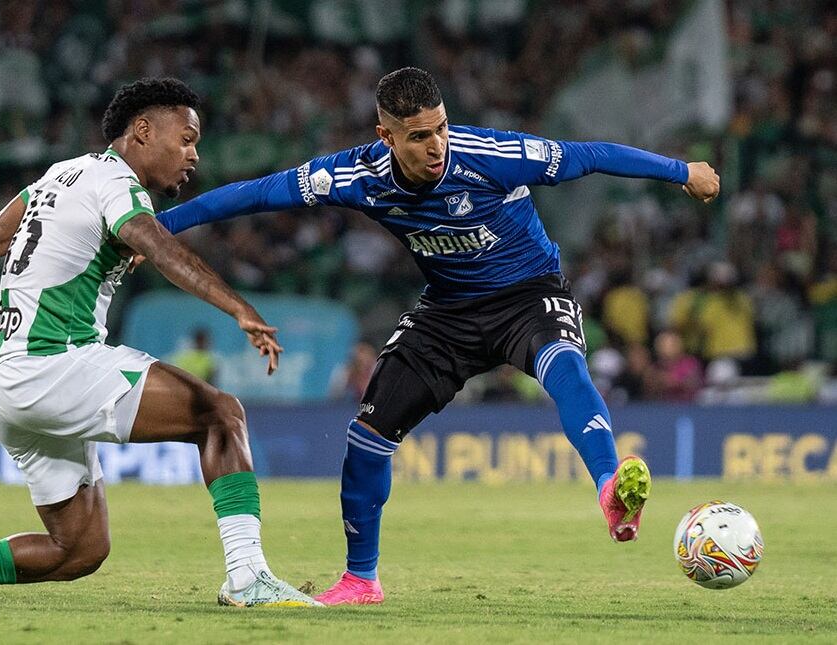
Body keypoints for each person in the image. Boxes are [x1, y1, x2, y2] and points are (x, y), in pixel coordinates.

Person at [156, 67, 720, 604]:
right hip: (447, 315)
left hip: (528, 295)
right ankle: (360, 579)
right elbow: (253, 194)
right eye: (420, 137)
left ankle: (608, 487)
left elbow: (590, 155)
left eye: (442, 128)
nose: (437, 146)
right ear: (386, 136)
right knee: (366, 436)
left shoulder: (492, 156)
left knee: (565, 365)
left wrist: (681, 171)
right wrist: (157, 230)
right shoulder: (354, 176)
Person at [0, 78, 319, 608]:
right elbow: (156, 245)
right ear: (142, 131)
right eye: (185, 139)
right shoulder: (117, 184)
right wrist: (239, 308)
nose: (194, 156)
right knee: (221, 416)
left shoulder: (58, 177)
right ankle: (248, 576)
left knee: (78, 549)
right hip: (55, 364)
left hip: (4, 389)